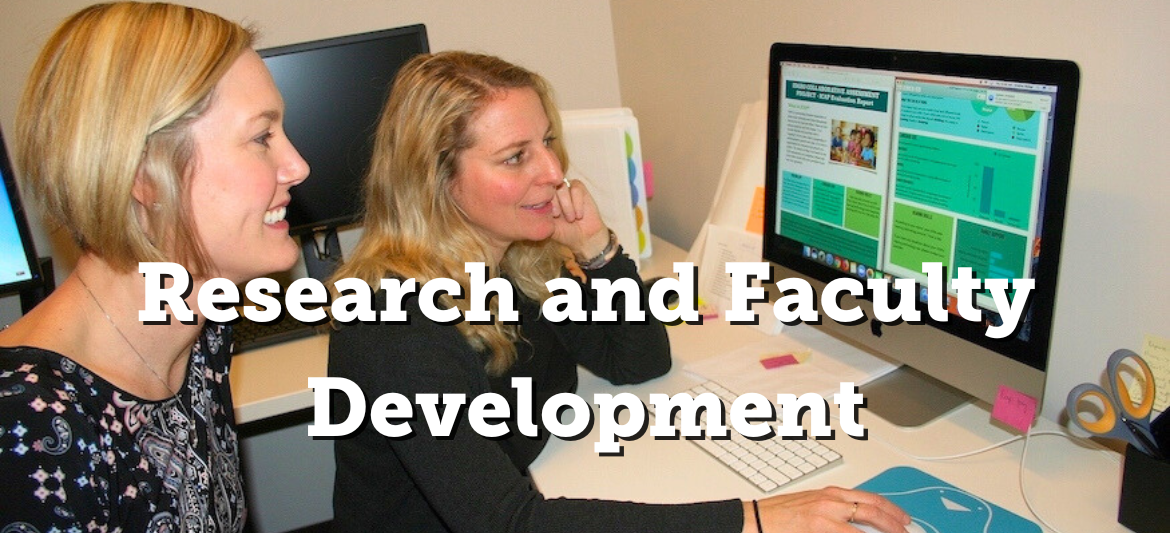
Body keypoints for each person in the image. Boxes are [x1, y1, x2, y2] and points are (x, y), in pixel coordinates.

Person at [327, 51, 910, 533]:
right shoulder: (394, 321)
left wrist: (600, 252)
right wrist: (750, 519)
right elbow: (506, 524)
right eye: (515, 157)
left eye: (547, 142)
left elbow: (639, 363)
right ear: (436, 180)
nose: (554, 172)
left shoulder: (514, 264)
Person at [0, 3, 309, 531]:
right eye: (262, 138)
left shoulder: (200, 335)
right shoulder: (27, 426)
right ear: (143, 173)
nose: (298, 166)